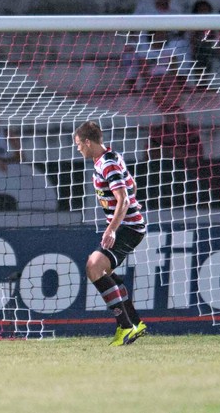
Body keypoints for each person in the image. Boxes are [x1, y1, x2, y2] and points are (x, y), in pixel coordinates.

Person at [72, 121, 147, 346]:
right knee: (103, 270)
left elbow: (124, 198)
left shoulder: (108, 164)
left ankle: (125, 327)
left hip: (128, 228)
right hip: (128, 224)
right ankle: (135, 322)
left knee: (94, 267)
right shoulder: (110, 157)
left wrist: (112, 229)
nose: (78, 149)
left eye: (78, 144)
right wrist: (131, 202)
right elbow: (131, 186)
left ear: (87, 142)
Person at [123, 0, 190, 91]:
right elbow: (131, 25)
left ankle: (180, 83)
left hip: (168, 41)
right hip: (146, 41)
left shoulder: (176, 10)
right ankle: (131, 85)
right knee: (130, 51)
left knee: (183, 47)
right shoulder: (144, 7)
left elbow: (181, 31)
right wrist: (131, 40)